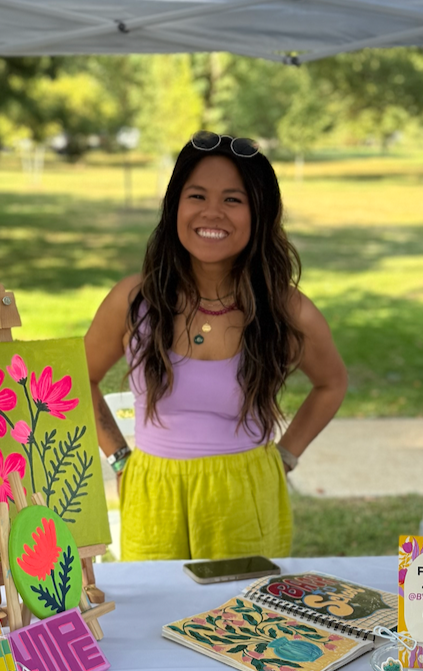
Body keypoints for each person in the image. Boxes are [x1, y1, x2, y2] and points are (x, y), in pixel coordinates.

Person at [85, 132, 347, 561]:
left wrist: (285, 457)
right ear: (175, 207)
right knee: (156, 621)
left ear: (259, 213)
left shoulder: (287, 310)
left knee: (244, 623)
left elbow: (332, 384)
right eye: (197, 195)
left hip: (245, 495)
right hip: (153, 495)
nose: (212, 212)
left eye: (232, 199)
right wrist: (118, 457)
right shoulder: (134, 301)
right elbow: (77, 377)